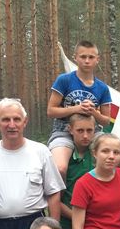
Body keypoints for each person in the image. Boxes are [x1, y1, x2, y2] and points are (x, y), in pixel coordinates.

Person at [0, 99, 65, 229]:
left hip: (32, 226)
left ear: (25, 122)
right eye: (6, 119)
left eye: (17, 119)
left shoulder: (40, 152)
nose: (12, 125)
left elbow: (53, 193)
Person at [47, 40, 112, 176]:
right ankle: (60, 191)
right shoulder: (64, 80)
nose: (87, 61)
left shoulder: (102, 88)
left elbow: (106, 121)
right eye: (83, 57)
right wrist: (77, 109)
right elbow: (51, 111)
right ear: (75, 57)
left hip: (93, 132)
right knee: (60, 168)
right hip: (63, 131)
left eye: (91, 57)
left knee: (115, 160)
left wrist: (93, 112)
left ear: (97, 59)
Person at [59, 114, 98, 229]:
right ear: (70, 130)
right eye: (80, 130)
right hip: (68, 226)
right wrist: (78, 218)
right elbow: (55, 201)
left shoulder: (97, 156)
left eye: (89, 130)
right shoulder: (63, 158)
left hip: (93, 227)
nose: (85, 135)